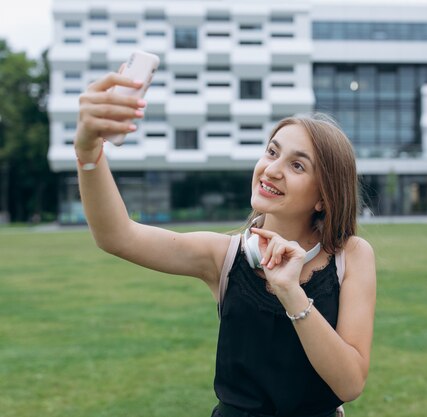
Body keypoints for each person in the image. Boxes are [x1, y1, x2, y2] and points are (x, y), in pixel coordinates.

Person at [74, 72, 377, 417]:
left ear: (324, 197)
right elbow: (116, 235)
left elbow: (350, 384)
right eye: (271, 152)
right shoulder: (224, 255)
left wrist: (291, 292)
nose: (271, 169)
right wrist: (87, 149)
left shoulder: (350, 257)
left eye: (296, 165)